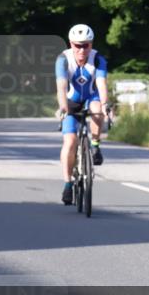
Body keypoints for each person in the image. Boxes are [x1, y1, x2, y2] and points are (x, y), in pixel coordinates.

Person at [55, 24, 109, 204]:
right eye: (77, 45)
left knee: (97, 108)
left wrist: (105, 104)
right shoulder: (63, 59)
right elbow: (61, 87)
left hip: (91, 97)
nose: (81, 49)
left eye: (85, 45)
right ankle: (68, 184)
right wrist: (63, 107)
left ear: (91, 45)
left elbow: (101, 84)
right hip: (71, 101)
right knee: (70, 141)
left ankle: (95, 145)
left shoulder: (98, 59)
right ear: (71, 44)